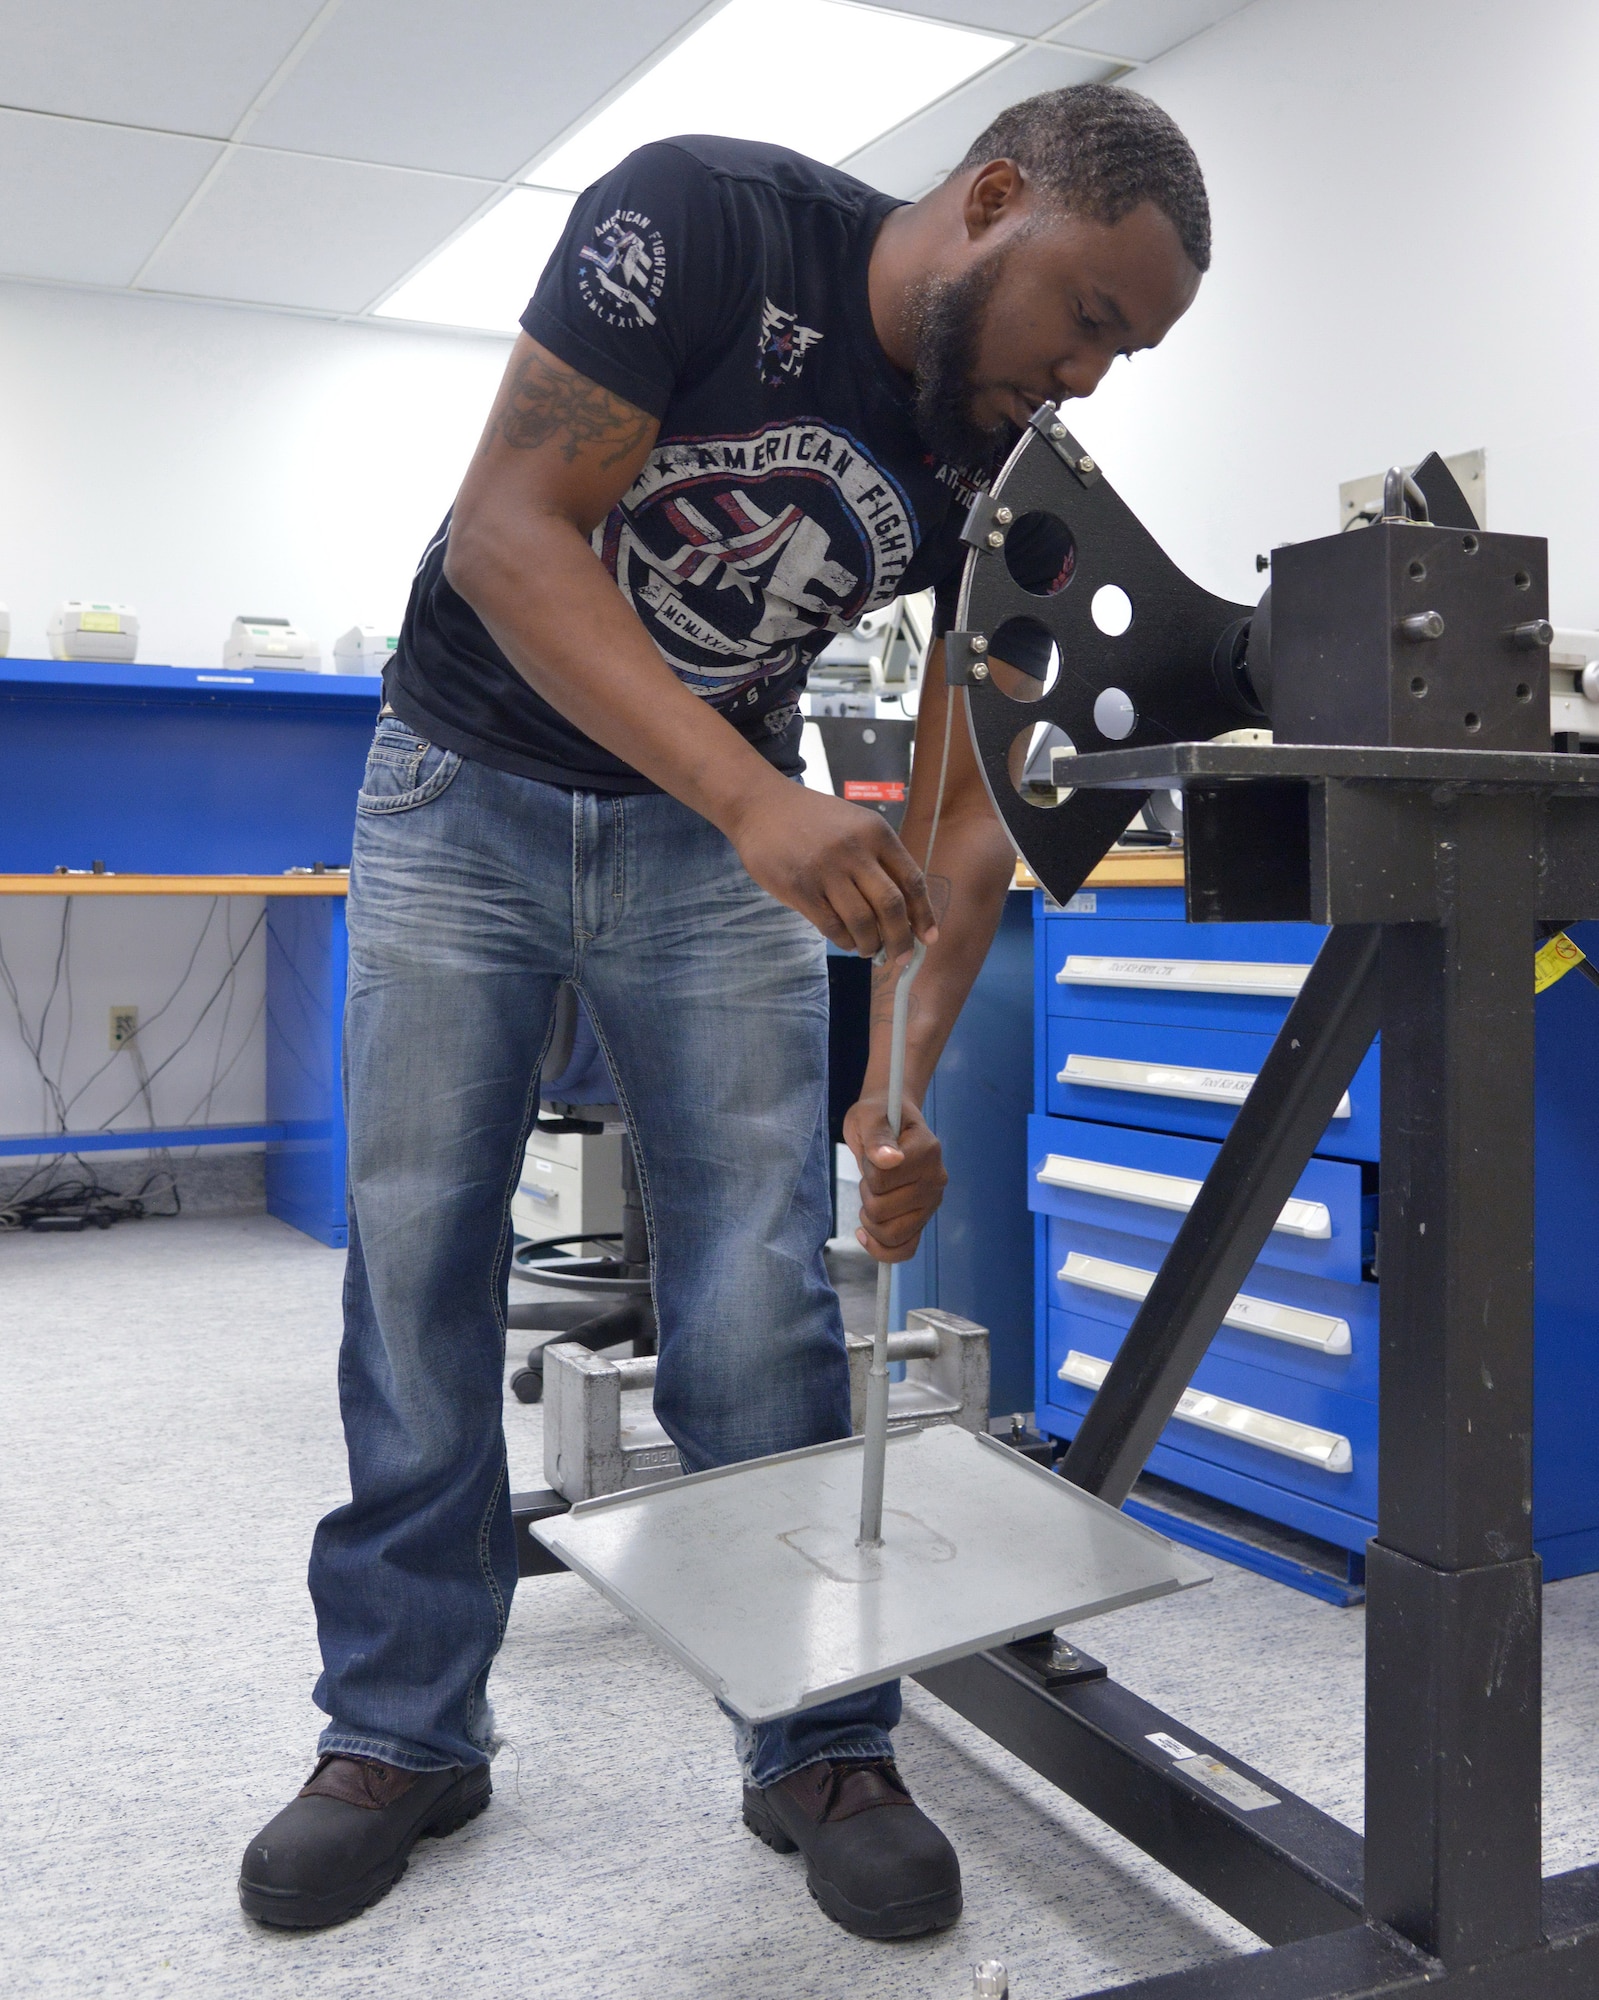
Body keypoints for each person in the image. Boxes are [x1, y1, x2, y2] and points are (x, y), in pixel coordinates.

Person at [239, 81, 1210, 1941]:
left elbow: (952, 820)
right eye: (1088, 314)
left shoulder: (1001, 463)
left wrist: (900, 1098)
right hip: (465, 797)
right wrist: (761, 801)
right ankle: (402, 1728)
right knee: (417, 1258)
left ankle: (818, 1739)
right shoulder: (699, 222)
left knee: (764, 1293)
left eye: (1130, 350)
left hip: (710, 855)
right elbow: (508, 536)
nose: (1091, 374)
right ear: (994, 198)